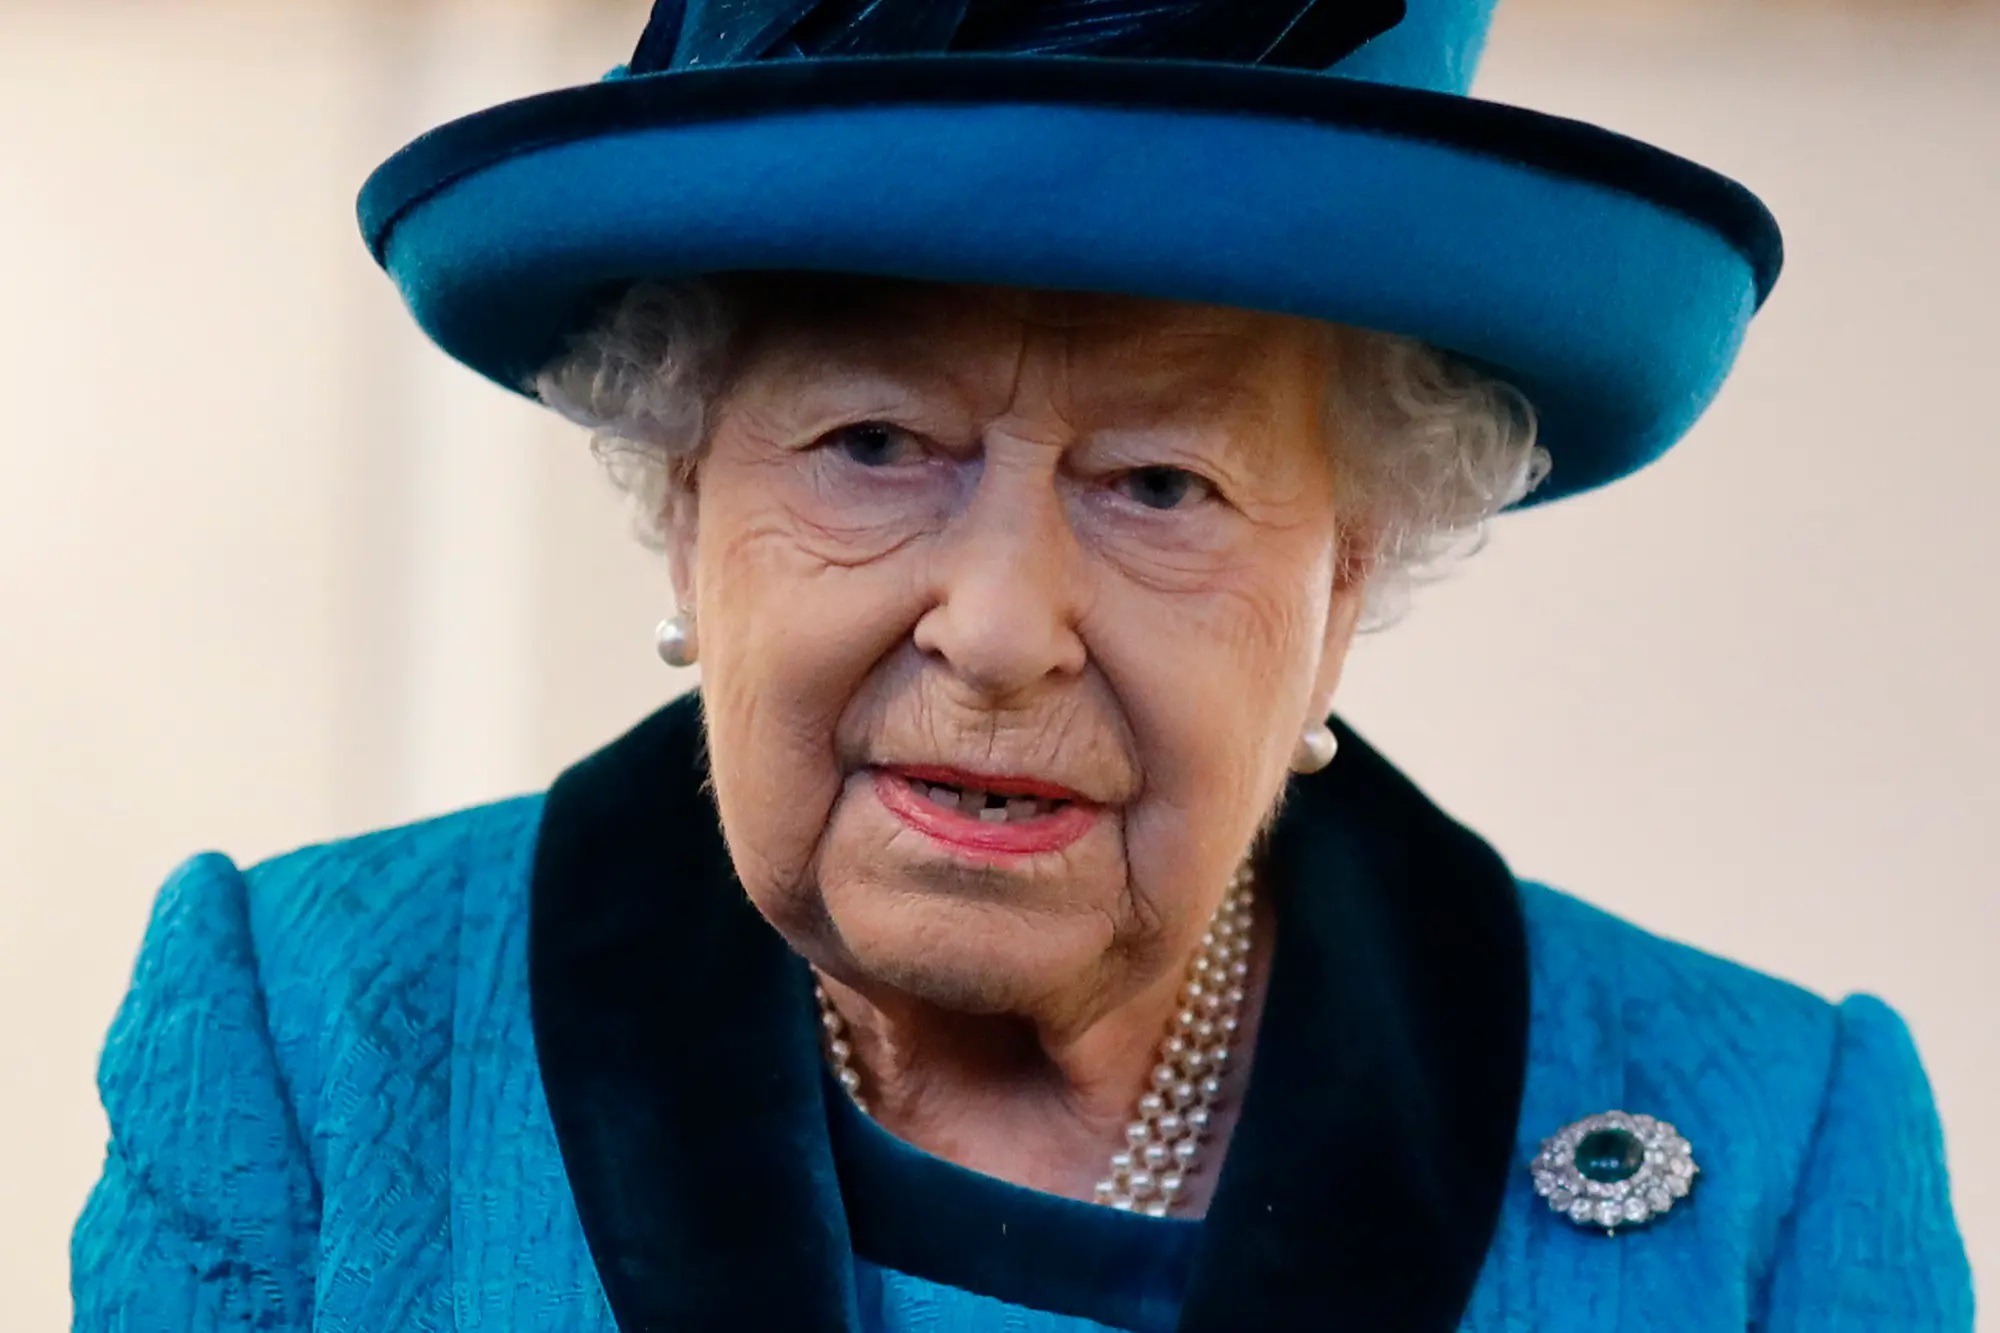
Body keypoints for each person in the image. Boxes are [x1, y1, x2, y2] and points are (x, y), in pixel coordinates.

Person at [73, 1, 1974, 1330]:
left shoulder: (1766, 1152)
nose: (995, 623)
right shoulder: (312, 1040)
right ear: (681, 505)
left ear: (1348, 573)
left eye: (1162, 480)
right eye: (874, 447)